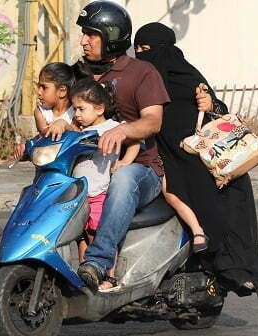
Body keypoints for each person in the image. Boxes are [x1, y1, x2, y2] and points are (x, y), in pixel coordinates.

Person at [134, 22, 258, 296]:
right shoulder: (140, 78)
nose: (142, 55)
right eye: (138, 50)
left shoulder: (186, 74)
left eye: (148, 49)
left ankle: (234, 270)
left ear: (165, 50)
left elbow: (219, 112)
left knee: (230, 193)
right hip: (164, 152)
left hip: (201, 153)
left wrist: (210, 105)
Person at [67, 1, 172, 292]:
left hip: (140, 168)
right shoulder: (79, 73)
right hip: (87, 163)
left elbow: (153, 121)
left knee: (123, 178)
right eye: (84, 33)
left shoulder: (142, 72)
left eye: (92, 34)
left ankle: (98, 261)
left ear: (112, 36)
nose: (83, 40)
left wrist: (124, 129)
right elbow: (62, 111)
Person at [68, 78, 141, 291]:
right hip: (80, 193)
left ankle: (109, 276)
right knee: (81, 235)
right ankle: (86, 273)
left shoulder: (114, 128)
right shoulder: (79, 131)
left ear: (99, 108)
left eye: (81, 109)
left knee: (100, 234)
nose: (77, 114)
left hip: (100, 192)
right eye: (74, 109)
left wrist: (125, 162)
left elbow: (135, 141)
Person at [12, 62, 79, 161]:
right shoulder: (40, 112)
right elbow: (46, 136)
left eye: (44, 87)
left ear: (62, 91)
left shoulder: (76, 111)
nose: (39, 92)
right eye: (39, 86)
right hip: (47, 164)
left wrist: (63, 124)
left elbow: (77, 134)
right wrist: (26, 147)